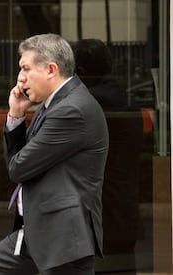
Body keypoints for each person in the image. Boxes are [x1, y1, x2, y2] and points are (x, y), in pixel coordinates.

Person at [0, 33, 109, 275]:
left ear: (51, 69)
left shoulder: (71, 110)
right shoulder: (54, 104)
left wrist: (17, 118)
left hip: (63, 242)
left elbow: (18, 167)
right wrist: (16, 115)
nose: (20, 78)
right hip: (36, 234)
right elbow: (20, 162)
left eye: (26, 68)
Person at [74, 39, 144, 274]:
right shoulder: (126, 98)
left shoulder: (91, 101)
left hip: (102, 212)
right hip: (124, 209)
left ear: (80, 70)